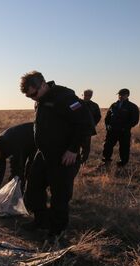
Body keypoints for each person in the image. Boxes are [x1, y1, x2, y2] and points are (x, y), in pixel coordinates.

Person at [19, 71, 87, 246]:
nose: (33, 98)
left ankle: (56, 231)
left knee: (60, 195)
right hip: (44, 154)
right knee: (33, 187)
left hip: (64, 156)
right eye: (29, 96)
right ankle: (41, 220)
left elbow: (84, 123)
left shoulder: (65, 97)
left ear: (43, 84)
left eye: (34, 94)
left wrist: (73, 149)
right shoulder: (40, 100)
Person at [0, 122, 36, 194]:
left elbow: (17, 166)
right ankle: (23, 194)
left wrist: (12, 185)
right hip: (24, 145)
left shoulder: (9, 143)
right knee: (21, 175)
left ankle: (27, 195)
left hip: (35, 136)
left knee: (30, 170)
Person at [102, 88, 140, 167]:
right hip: (112, 131)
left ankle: (123, 163)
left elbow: (134, 120)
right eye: (119, 95)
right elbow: (107, 118)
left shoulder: (132, 106)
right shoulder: (114, 105)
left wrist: (125, 128)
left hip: (124, 132)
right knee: (107, 145)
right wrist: (107, 126)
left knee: (124, 147)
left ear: (127, 95)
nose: (120, 96)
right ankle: (106, 161)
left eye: (123, 95)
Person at [80, 89, 101, 163]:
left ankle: (83, 161)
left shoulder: (94, 105)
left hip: (87, 130)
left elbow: (98, 116)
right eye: (85, 95)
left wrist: (92, 124)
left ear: (91, 96)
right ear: (82, 94)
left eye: (89, 95)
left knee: (86, 147)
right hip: (75, 129)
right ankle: (74, 162)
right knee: (74, 145)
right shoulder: (76, 103)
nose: (87, 96)